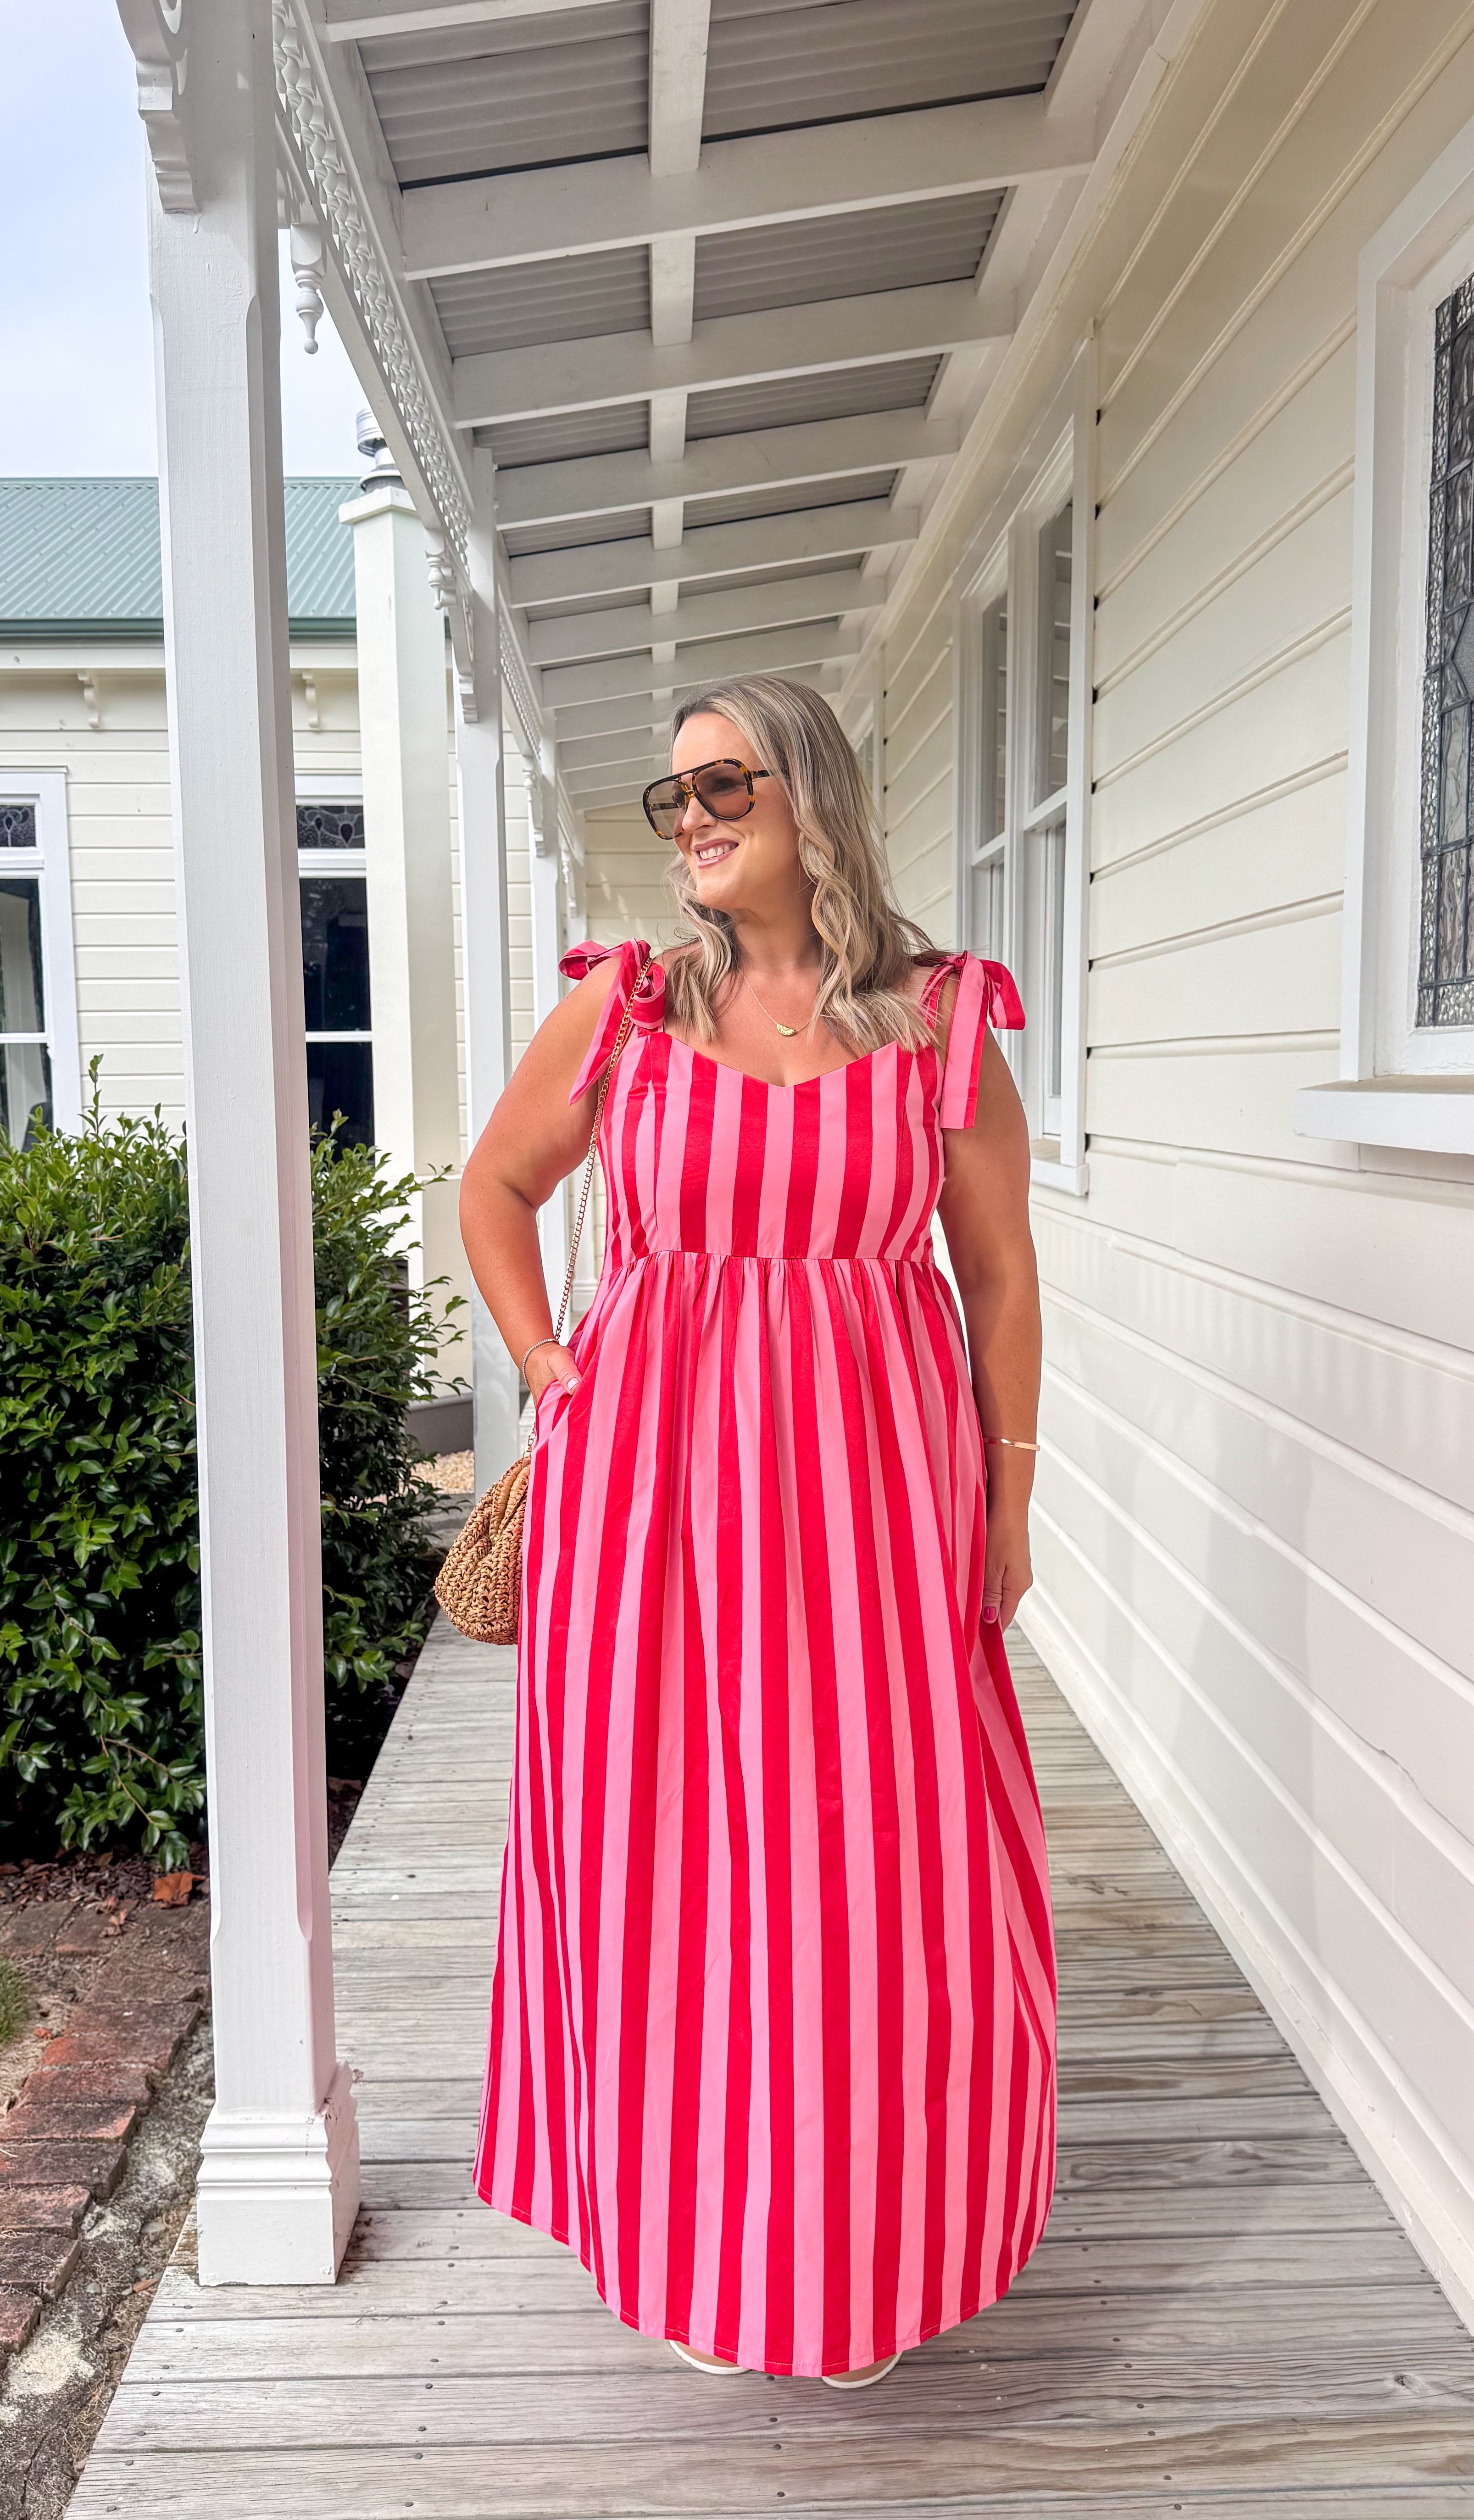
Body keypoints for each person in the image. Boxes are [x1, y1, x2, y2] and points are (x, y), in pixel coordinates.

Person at [458, 673, 1056, 2385]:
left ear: (812, 793)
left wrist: (1011, 1494)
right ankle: (696, 2247)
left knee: (874, 1875)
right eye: (676, 796)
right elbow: (496, 1188)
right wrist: (549, 1365)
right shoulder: (629, 1009)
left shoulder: (937, 1021)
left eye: (726, 784)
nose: (695, 819)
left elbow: (1001, 1274)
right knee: (664, 1871)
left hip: (873, 1513)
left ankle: (858, 2261)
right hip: (647, 1511)